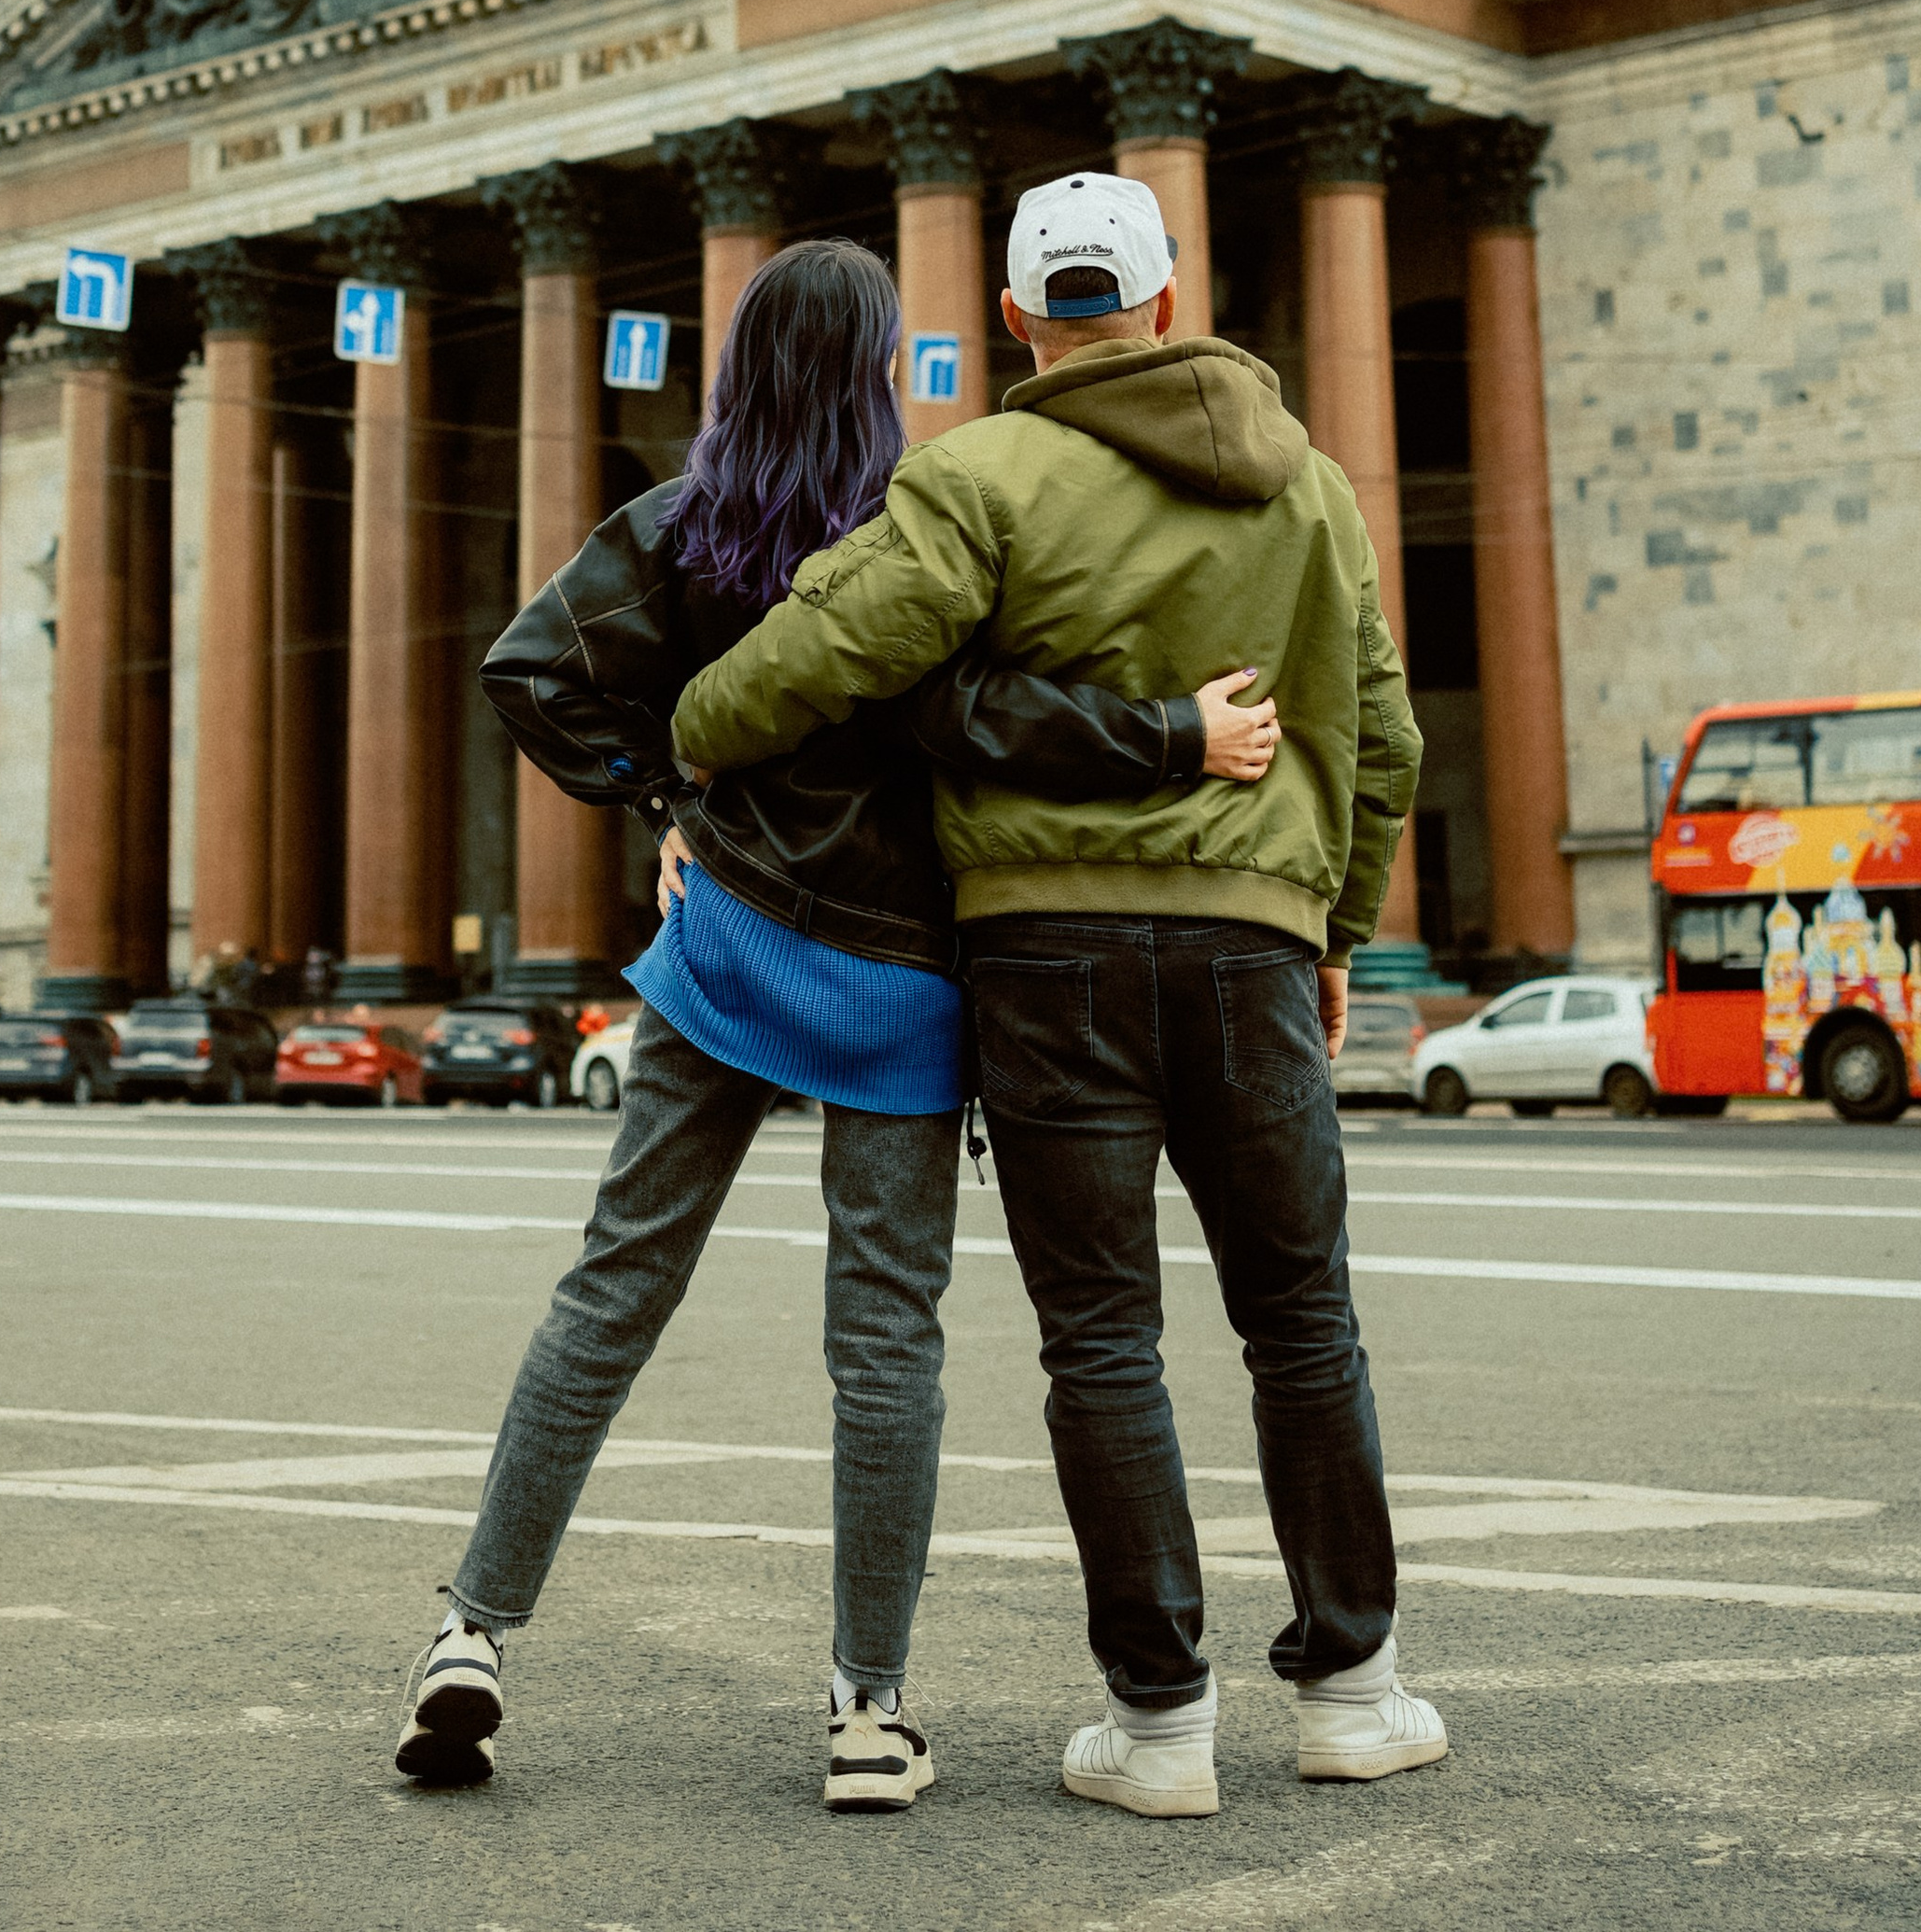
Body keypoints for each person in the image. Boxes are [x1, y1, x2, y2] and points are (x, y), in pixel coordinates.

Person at [394, 233, 1280, 1813]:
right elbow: (985, 722)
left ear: (739, 368)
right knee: (885, 1342)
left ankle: (474, 1633)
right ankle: (868, 1712)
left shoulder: (680, 527)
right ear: (880, 373)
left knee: (611, 1292)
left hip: (725, 949)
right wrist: (1171, 735)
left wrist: (662, 798)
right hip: (902, 982)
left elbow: (531, 675)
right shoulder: (925, 522)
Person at [671, 172, 1439, 1824]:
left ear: (1021, 321)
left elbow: (820, 655)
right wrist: (1336, 934)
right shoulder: (1313, 490)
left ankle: (1161, 1729)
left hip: (1043, 965)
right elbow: (1381, 737)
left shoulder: (978, 477)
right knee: (1304, 1324)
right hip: (1251, 950)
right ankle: (1355, 1695)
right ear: (1164, 299)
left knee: (1102, 1340)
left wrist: (692, 738)